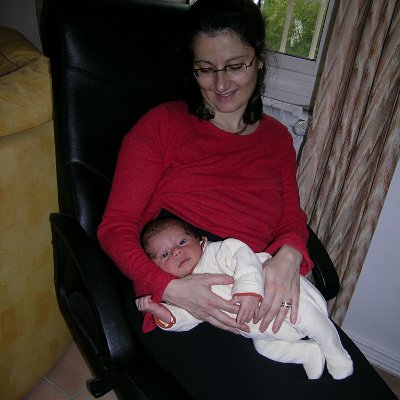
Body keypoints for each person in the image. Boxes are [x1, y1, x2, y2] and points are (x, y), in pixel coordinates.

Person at [97, 0, 396, 398]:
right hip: (180, 290)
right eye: (206, 69)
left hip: (254, 272)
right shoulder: (160, 126)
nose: (221, 84)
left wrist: (288, 255)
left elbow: (291, 216)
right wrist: (169, 287)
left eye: (235, 65)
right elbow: (115, 228)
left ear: (259, 62)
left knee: (352, 382)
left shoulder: (277, 139)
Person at [136, 217, 353, 380]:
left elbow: (244, 258)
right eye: (165, 254)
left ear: (197, 239)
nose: (176, 252)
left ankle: (336, 353)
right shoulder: (183, 291)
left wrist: (248, 292)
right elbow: (185, 318)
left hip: (278, 296)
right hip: (261, 330)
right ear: (156, 268)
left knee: (308, 319)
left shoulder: (218, 252)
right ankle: (307, 353)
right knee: (265, 349)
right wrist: (159, 311)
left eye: (182, 242)